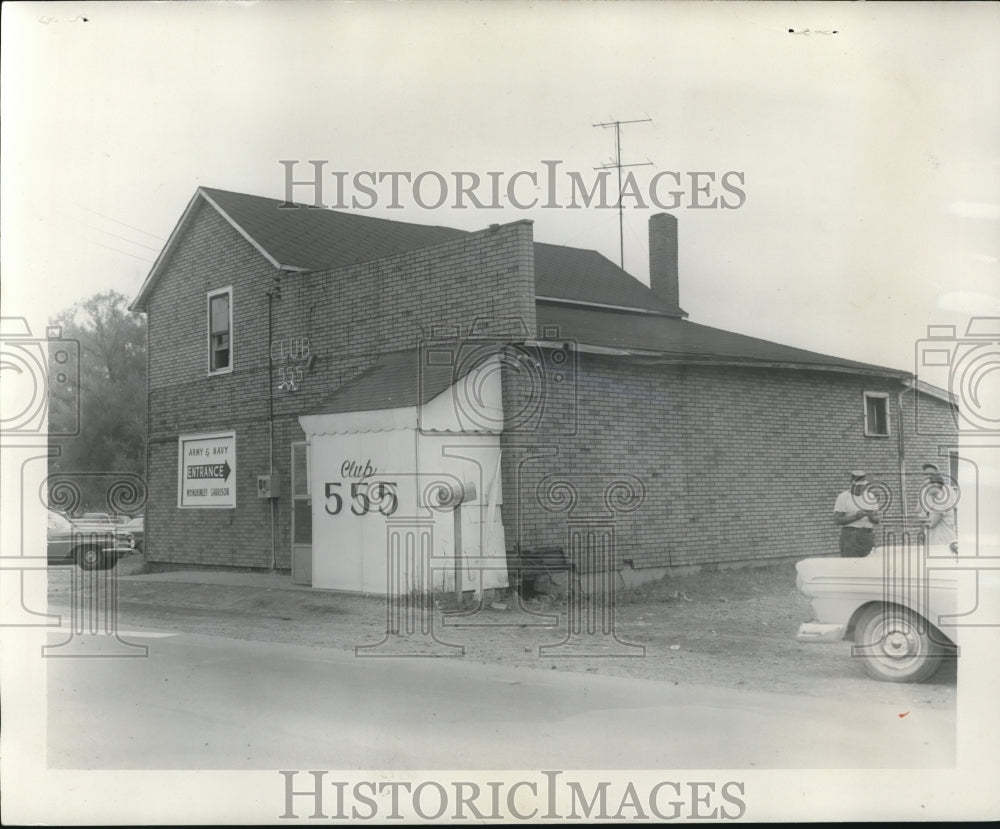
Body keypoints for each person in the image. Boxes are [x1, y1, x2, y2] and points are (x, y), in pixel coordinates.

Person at [833, 470, 881, 557]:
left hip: (868, 536)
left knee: (870, 567)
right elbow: (837, 520)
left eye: (862, 486)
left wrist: (870, 516)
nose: (860, 488)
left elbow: (877, 520)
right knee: (851, 567)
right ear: (851, 484)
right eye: (857, 486)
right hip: (850, 537)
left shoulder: (870, 496)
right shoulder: (843, 497)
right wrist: (855, 517)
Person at [918, 463, 958, 548]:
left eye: (931, 474)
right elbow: (921, 515)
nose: (928, 476)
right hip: (931, 539)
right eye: (926, 474)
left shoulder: (946, 493)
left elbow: (931, 522)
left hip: (943, 539)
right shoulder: (924, 492)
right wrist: (921, 532)